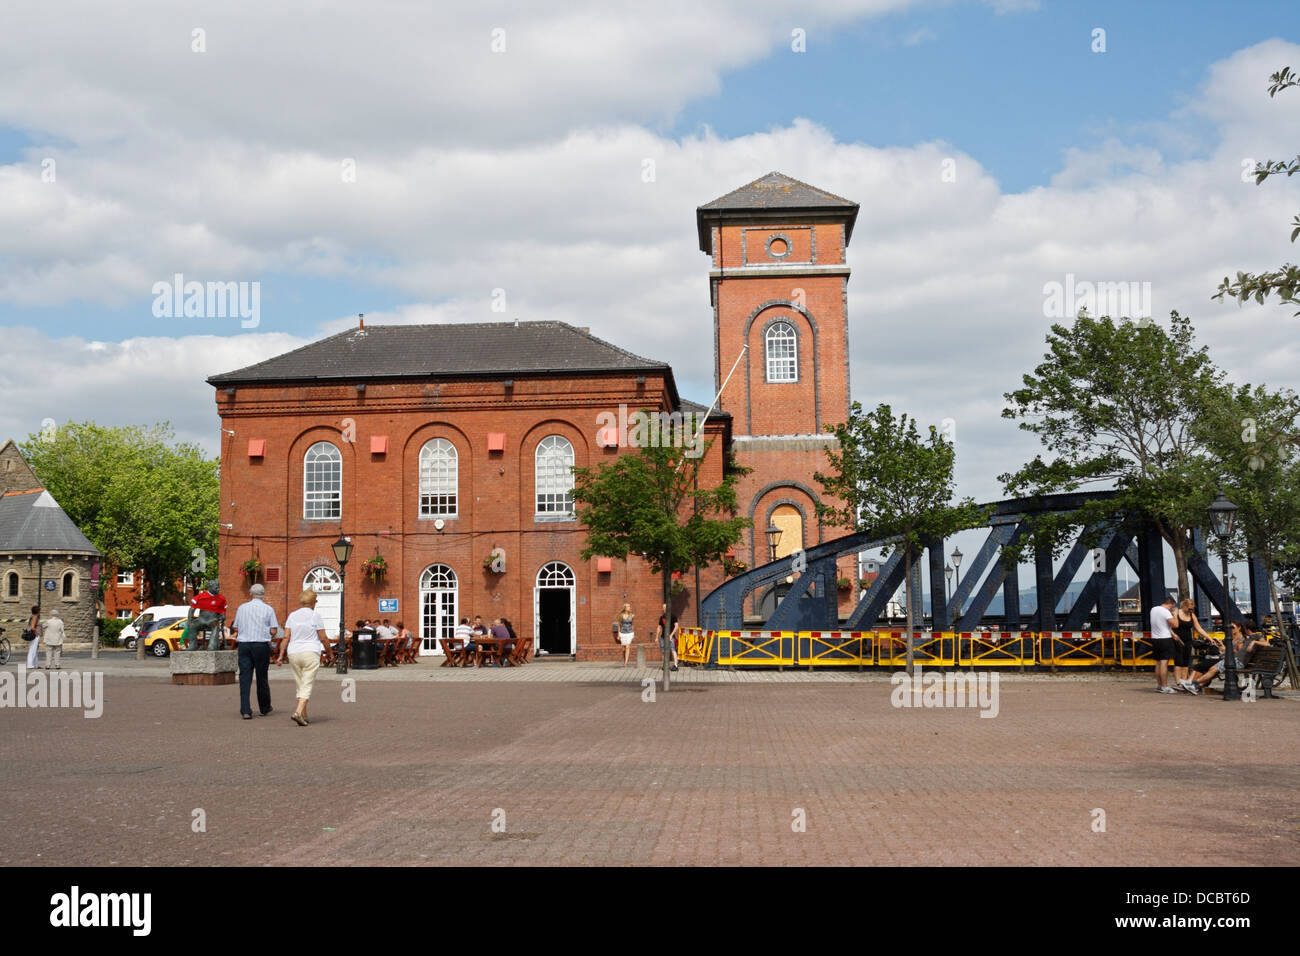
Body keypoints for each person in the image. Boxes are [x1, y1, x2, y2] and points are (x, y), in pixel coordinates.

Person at [276, 589, 329, 725]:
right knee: (307, 683)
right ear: (313, 602)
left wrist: (281, 655)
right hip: (310, 651)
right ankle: (298, 712)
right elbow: (323, 637)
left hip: (293, 652)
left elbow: (286, 637)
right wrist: (330, 652)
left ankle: (304, 716)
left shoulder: (292, 616)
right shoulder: (315, 616)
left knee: (300, 684)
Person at [229, 583, 279, 719]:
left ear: (251, 593)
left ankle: (245, 709)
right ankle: (264, 707)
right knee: (262, 677)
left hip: (244, 644)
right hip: (261, 645)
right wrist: (267, 633)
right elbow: (274, 630)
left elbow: (236, 628)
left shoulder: (241, 608)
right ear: (263, 594)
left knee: (245, 677)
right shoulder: (268, 609)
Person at [1190, 621, 1270, 694]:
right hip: (1234, 659)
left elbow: (1267, 644)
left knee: (1213, 669)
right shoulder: (1249, 637)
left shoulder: (1256, 636)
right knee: (1212, 669)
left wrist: (1253, 642)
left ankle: (1192, 684)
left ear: (1246, 629)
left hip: (1238, 661)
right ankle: (1195, 685)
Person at [1171, 598, 1212, 693]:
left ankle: (1184, 682)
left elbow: (1198, 628)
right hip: (1177, 639)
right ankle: (1178, 682)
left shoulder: (1192, 615)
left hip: (1188, 640)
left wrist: (1209, 637)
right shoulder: (1176, 613)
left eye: (1192, 609)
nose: (1191, 610)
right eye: (1189, 609)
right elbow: (1170, 626)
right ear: (1184, 606)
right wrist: (1173, 635)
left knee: (1186, 662)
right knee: (1178, 661)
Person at [1149, 595, 1177, 694]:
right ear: (1171, 604)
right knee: (1164, 663)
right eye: (1172, 607)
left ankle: (1160, 685)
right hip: (1165, 638)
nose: (1172, 609)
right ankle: (1165, 686)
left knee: (1158, 663)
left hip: (1155, 638)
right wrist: (1175, 615)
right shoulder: (1166, 612)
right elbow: (1175, 624)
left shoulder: (1153, 609)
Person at [655, 603, 679, 671]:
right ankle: (665, 665)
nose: (664, 609)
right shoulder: (662, 617)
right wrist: (656, 637)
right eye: (663, 608)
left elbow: (676, 626)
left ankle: (675, 665)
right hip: (663, 637)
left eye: (666, 608)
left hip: (671, 637)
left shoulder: (673, 616)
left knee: (673, 649)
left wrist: (671, 635)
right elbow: (659, 627)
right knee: (663, 651)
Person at [617, 602, 635, 667]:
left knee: (628, 647)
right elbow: (619, 625)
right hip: (622, 633)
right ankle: (624, 659)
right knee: (624, 648)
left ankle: (626, 663)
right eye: (628, 607)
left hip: (629, 633)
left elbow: (632, 624)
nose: (629, 608)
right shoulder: (621, 615)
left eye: (629, 606)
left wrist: (633, 632)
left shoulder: (632, 615)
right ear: (625, 608)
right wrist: (618, 635)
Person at [25, 605, 41, 669]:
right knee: (33, 650)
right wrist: (36, 634)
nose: (40, 612)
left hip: (34, 635)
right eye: (39, 611)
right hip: (34, 635)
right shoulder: (35, 617)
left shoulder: (34, 616)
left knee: (35, 650)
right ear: (37, 611)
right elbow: (32, 627)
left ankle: (35, 664)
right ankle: (30, 665)